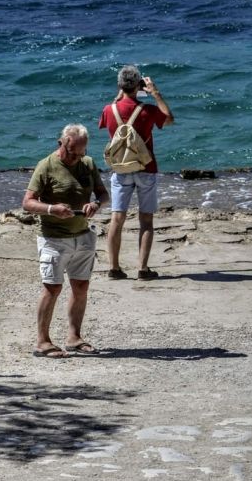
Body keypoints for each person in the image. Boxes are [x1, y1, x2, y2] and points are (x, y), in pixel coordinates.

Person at [22, 123, 109, 357]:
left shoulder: (87, 164)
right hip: (54, 238)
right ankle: (43, 342)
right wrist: (51, 209)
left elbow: (103, 194)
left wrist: (96, 204)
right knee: (52, 288)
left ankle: (74, 337)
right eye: (72, 153)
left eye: (81, 153)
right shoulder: (46, 166)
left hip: (82, 235)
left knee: (81, 286)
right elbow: (28, 203)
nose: (76, 158)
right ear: (62, 143)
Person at [98, 64, 174, 280]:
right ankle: (143, 268)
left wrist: (119, 94)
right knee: (146, 220)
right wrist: (155, 93)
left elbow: (107, 121)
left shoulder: (108, 110)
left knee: (116, 219)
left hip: (121, 169)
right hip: (145, 168)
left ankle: (114, 267)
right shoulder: (148, 111)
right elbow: (169, 118)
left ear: (120, 86)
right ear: (139, 85)